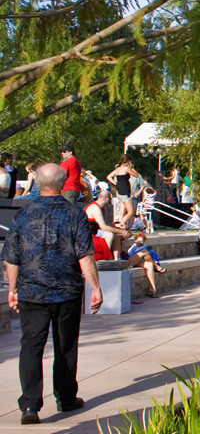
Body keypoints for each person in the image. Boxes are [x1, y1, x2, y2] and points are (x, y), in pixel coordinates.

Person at [1, 163, 103, 425]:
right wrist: (95, 288)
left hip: (32, 291)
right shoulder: (74, 214)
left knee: (31, 346)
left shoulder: (23, 215)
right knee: (65, 346)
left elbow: (11, 258)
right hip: (67, 291)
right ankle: (66, 397)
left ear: (36, 181)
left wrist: (12, 288)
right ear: (63, 182)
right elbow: (85, 255)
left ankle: (30, 406)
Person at [84, 190, 130, 260]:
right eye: (110, 199)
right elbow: (103, 227)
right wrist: (121, 232)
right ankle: (105, 258)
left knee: (117, 237)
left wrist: (116, 226)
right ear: (107, 199)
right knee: (109, 235)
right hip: (88, 231)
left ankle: (117, 259)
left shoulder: (100, 208)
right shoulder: (95, 208)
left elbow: (102, 223)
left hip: (95, 229)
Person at [106, 155, 141, 229]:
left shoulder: (118, 169)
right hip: (125, 191)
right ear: (128, 161)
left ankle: (120, 223)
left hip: (119, 191)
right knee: (130, 212)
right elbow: (136, 175)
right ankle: (120, 224)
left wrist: (115, 183)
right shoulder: (126, 168)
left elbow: (108, 177)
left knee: (122, 211)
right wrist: (132, 167)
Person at [127, 232, 164, 298]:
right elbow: (129, 253)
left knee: (149, 265)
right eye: (139, 241)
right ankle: (156, 265)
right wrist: (135, 246)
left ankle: (153, 289)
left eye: (142, 241)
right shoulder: (134, 246)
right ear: (135, 240)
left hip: (138, 262)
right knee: (144, 252)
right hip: (130, 262)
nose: (140, 242)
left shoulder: (144, 247)